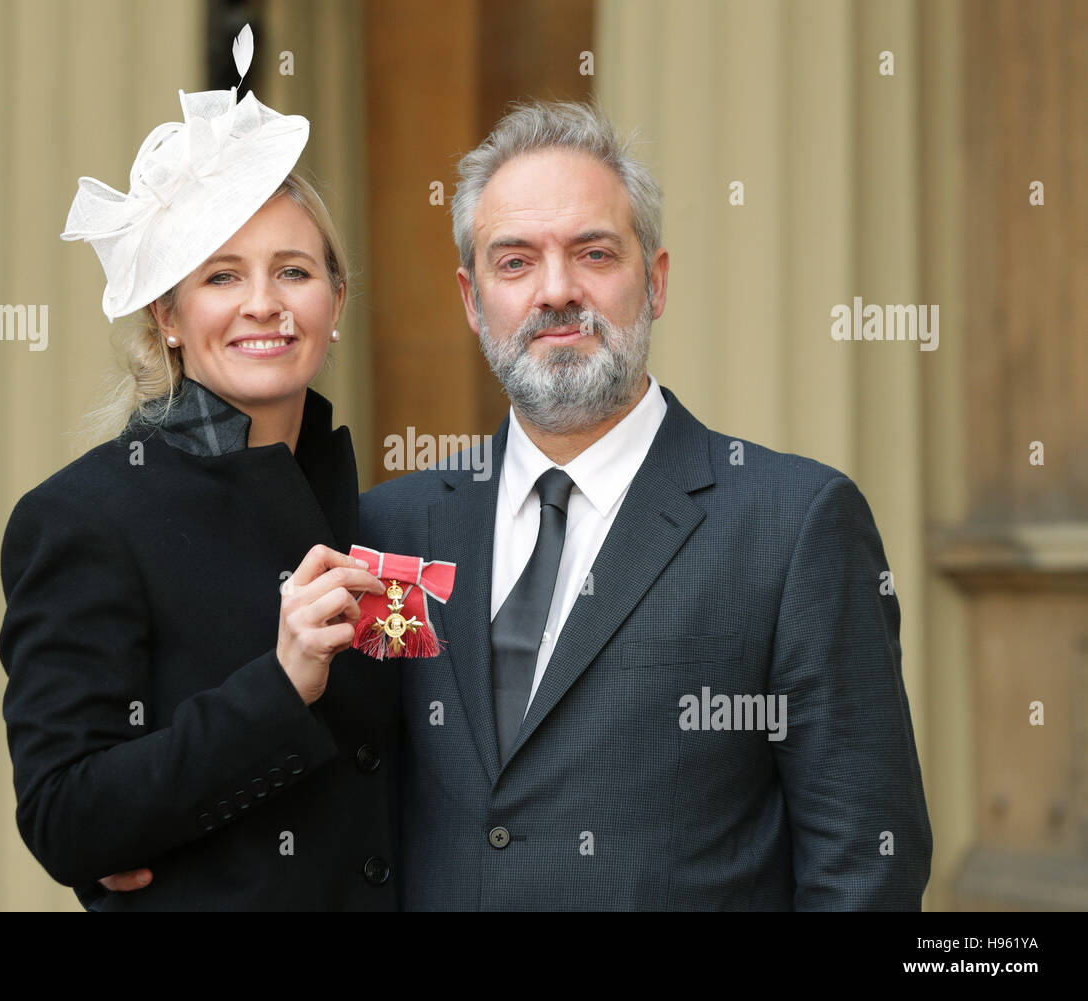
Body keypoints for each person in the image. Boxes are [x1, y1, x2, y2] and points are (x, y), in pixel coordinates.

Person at [359, 99, 933, 910]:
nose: (557, 291)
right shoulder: (392, 528)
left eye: (593, 253)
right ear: (471, 298)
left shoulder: (795, 523)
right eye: (515, 262)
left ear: (655, 280)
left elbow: (866, 865)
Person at [0, 27, 397, 911]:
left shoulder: (379, 515)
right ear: (169, 316)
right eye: (221, 276)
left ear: (335, 303)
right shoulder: (84, 516)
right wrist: (280, 683)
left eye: (293, 271)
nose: (264, 303)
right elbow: (66, 817)